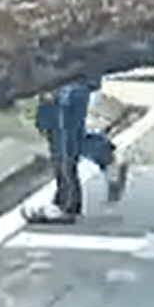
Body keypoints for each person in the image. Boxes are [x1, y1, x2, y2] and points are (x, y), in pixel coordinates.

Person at [24, 74, 116, 225]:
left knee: (64, 146)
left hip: (67, 88)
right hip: (64, 86)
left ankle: (68, 204)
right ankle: (103, 153)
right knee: (62, 141)